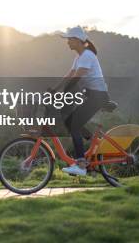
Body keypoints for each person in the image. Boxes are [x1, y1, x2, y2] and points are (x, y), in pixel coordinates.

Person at [51, 26, 109, 176]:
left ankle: (81, 164)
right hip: (92, 95)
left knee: (74, 125)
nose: (67, 42)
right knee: (69, 121)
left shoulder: (87, 56)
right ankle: (92, 143)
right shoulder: (79, 57)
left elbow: (76, 78)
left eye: (69, 39)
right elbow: (70, 75)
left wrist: (62, 95)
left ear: (77, 40)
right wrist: (54, 90)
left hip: (97, 96)